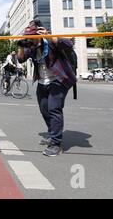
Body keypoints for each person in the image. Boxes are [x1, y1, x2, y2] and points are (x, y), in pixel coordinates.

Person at [17, 20, 77, 157]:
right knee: (44, 109)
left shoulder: (49, 42)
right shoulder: (30, 46)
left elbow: (69, 44)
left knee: (54, 108)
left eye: (31, 37)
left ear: (38, 35)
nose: (29, 40)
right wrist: (20, 45)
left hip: (59, 79)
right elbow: (20, 59)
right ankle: (52, 133)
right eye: (27, 38)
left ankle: (56, 143)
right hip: (43, 81)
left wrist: (50, 36)